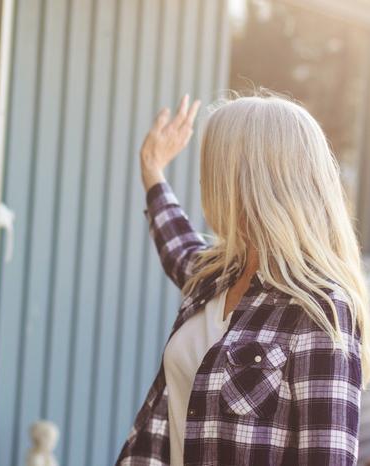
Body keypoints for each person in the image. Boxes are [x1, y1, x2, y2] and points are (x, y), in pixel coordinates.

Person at [116, 93, 368, 465]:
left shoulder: (320, 309)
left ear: (247, 179)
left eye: (213, 166)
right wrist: (152, 170)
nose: (205, 179)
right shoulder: (218, 275)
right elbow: (178, 246)